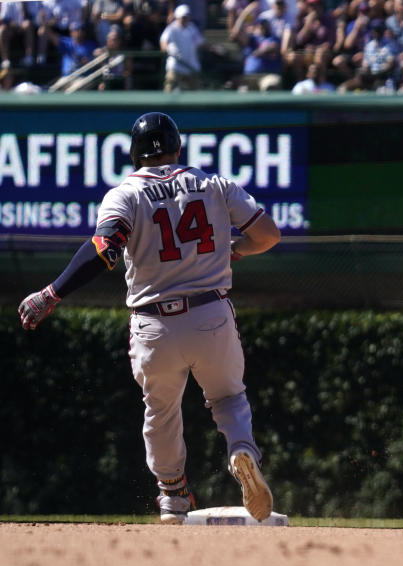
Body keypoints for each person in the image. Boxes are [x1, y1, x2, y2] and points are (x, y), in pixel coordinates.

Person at [17, 112, 280, 525]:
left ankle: (173, 496)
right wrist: (238, 248)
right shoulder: (214, 185)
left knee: (161, 410)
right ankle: (240, 450)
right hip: (211, 314)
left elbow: (104, 249)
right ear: (178, 147)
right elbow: (269, 234)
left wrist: (52, 293)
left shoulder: (126, 194)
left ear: (135, 154)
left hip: (154, 324)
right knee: (228, 397)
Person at [160, 4, 205, 91]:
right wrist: (165, 49)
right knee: (169, 90)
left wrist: (214, 48)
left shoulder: (192, 28)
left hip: (191, 67)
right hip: (175, 67)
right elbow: (164, 41)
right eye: (183, 17)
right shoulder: (172, 28)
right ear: (178, 17)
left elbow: (200, 42)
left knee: (196, 92)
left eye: (187, 16)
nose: (185, 19)